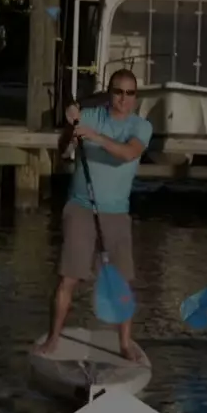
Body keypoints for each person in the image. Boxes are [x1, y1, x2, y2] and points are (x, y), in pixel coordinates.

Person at [34, 69, 153, 363]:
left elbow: (128, 154)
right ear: (109, 93)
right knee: (69, 278)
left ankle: (124, 344)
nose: (123, 99)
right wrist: (70, 128)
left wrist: (94, 136)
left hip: (116, 213)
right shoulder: (88, 116)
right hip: (81, 207)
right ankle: (53, 338)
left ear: (135, 97)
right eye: (118, 92)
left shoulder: (141, 126)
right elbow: (63, 150)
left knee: (122, 283)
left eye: (130, 93)